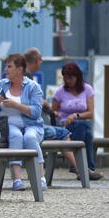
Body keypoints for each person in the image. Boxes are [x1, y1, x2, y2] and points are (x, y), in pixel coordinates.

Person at [0, 54, 47, 191]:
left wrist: (15, 105)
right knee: (16, 136)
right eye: (6, 66)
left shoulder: (33, 87)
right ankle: (17, 180)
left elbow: (36, 112)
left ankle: (40, 178)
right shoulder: (1, 85)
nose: (5, 69)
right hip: (9, 125)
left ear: (20, 69)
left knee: (30, 137)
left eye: (9, 66)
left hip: (32, 124)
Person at [25, 49, 80, 177]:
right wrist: (45, 104)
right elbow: (32, 101)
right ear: (37, 60)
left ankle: (78, 168)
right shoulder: (27, 76)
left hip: (21, 126)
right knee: (64, 133)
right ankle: (79, 169)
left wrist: (48, 109)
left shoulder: (20, 75)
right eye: (41, 60)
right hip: (30, 128)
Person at [51, 62, 103, 180]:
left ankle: (79, 167)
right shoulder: (60, 92)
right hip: (65, 127)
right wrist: (57, 114)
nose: (67, 80)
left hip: (80, 124)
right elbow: (52, 111)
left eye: (70, 77)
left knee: (85, 128)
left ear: (77, 77)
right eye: (65, 77)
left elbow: (91, 113)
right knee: (87, 131)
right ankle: (88, 169)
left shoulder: (87, 89)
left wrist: (76, 115)